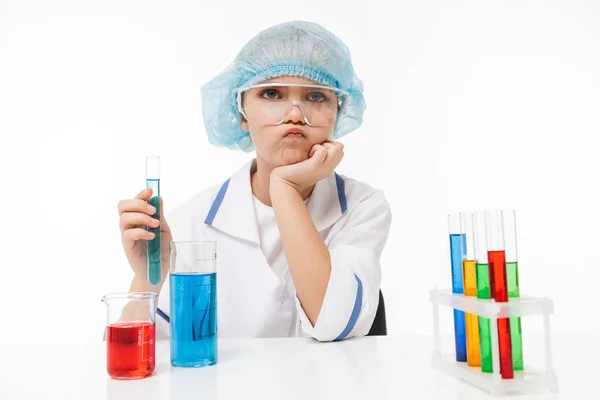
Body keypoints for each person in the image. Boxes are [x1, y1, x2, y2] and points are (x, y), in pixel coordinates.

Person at [117, 20, 392, 342]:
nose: (294, 114)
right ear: (241, 113)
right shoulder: (190, 223)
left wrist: (285, 188)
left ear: (339, 111)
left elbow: (334, 323)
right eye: (271, 93)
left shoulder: (362, 206)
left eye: (316, 96)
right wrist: (148, 278)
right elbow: (140, 359)